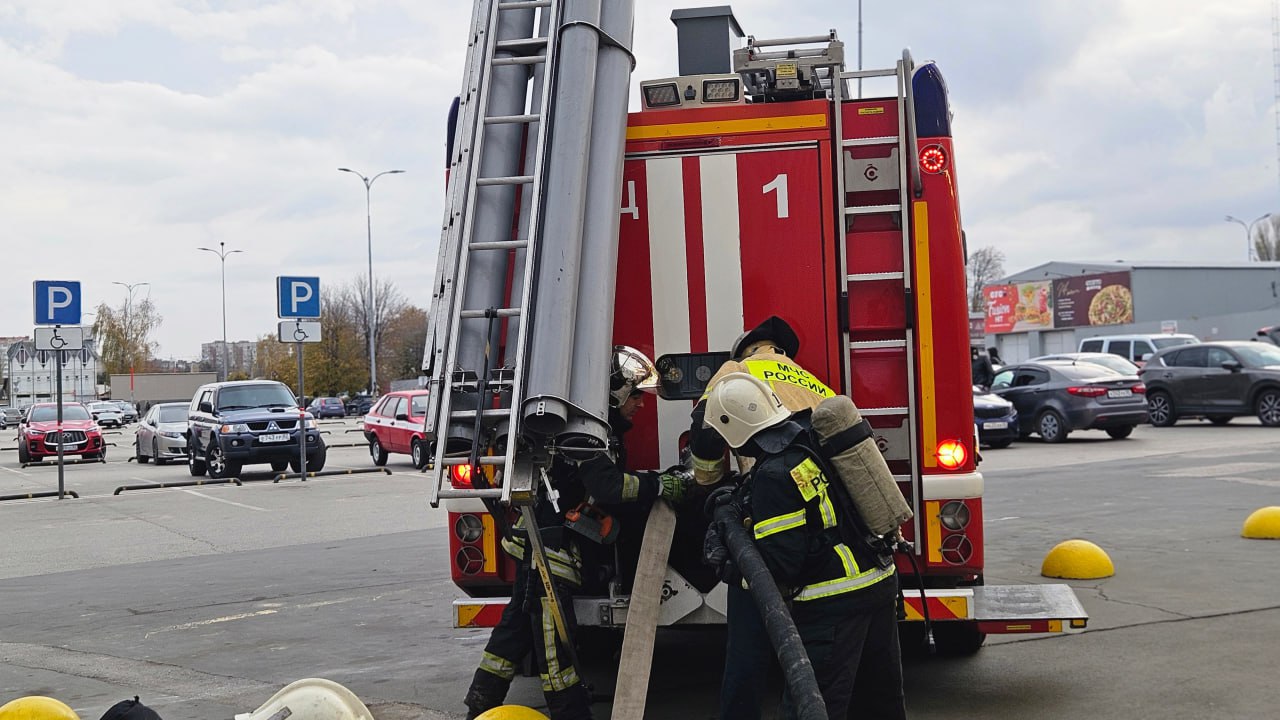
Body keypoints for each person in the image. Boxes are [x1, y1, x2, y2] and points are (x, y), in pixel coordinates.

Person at [463, 347, 691, 720]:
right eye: (636, 395)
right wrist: (660, 486)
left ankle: (479, 704)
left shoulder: (597, 427)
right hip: (550, 551)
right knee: (555, 647)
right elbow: (609, 487)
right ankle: (570, 712)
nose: (641, 405)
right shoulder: (585, 431)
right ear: (616, 393)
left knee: (514, 631)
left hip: (540, 543)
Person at [703, 372, 906, 720]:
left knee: (812, 707)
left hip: (833, 604)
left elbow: (780, 568)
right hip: (879, 583)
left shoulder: (773, 475)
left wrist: (729, 565)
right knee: (878, 704)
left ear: (732, 430)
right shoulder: (807, 439)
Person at [687, 315, 836, 720]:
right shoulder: (810, 380)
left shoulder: (738, 371)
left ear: (746, 349)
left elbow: (707, 430)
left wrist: (708, 482)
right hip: (825, 525)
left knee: (749, 641)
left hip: (768, 512)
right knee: (815, 645)